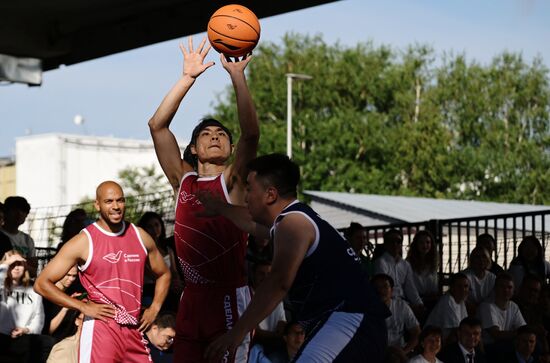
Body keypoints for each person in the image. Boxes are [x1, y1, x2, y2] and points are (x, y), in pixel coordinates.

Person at [201, 153, 390, 362]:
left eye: (249, 188)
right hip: (354, 323)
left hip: (349, 320)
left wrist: (237, 333)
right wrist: (219, 207)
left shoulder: (292, 224)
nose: (246, 196)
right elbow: (251, 221)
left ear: (270, 195)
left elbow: (278, 282)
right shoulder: (293, 218)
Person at [148, 35, 259, 362]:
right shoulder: (183, 180)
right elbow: (157, 126)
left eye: (222, 134)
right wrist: (187, 78)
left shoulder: (234, 182)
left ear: (230, 148)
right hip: (192, 299)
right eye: (206, 134)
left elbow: (251, 134)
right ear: (193, 148)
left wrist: (237, 77)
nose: (215, 137)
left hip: (228, 296)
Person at [34, 181, 171, 363]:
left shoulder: (139, 235)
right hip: (101, 328)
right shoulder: (83, 241)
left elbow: (164, 273)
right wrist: (82, 306)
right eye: (109, 201)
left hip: (134, 327)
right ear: (97, 205)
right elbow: (41, 283)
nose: (115, 206)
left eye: (120, 200)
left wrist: (154, 308)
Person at [0, 250, 53, 363]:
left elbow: (39, 318)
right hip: (1, 337)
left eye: (20, 264)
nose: (16, 267)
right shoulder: (1, 287)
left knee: (47, 342)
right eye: (12, 264)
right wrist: (5, 264)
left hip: (22, 337)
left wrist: (26, 329)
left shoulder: (32, 290)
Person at [137, 211, 183, 311]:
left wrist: (178, 282)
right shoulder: (142, 250)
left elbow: (174, 271)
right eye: (150, 226)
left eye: (156, 225)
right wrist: (170, 284)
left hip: (170, 288)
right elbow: (152, 275)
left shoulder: (167, 249)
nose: (154, 229)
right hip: (151, 290)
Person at [374, 229, 424, 313]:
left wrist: (419, 304)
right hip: (388, 303)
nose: (395, 244)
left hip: (403, 303)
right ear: (385, 244)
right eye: (391, 241)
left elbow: (410, 288)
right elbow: (383, 291)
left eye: (398, 241)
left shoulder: (405, 265)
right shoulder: (380, 262)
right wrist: (408, 305)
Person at [372, 273, 420, 357]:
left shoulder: (401, 306)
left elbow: (416, 332)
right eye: (377, 287)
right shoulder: (366, 309)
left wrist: (403, 352)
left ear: (392, 290)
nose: (381, 290)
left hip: (399, 351)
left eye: (385, 286)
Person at [477, 273, 526, 348]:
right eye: (502, 287)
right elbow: (496, 334)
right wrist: (519, 333)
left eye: (509, 287)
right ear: (495, 288)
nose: (506, 290)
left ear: (514, 290)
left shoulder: (513, 306)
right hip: (490, 346)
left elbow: (522, 328)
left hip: (506, 343)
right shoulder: (487, 306)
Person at [425, 272, 469, 342]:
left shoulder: (461, 301)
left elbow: (465, 325)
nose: (463, 289)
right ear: (452, 288)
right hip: (434, 342)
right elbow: (455, 330)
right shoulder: (447, 300)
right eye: (459, 286)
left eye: (466, 286)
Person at [41, 265, 81, 341]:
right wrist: (66, 307)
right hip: (52, 343)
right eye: (68, 275)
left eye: (74, 276)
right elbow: (47, 331)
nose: (71, 279)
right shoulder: (46, 296)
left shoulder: (74, 292)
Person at [406, 230, 439, 309]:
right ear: (416, 245)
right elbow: (409, 287)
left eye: (428, 242)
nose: (425, 245)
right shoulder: (408, 263)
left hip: (431, 301)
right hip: (415, 302)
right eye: (421, 242)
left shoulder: (432, 263)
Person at [462, 247, 496, 314]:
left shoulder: (492, 277)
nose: (481, 260)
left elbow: (494, 298)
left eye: (484, 256)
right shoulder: (465, 276)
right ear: (472, 259)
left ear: (488, 259)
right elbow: (462, 299)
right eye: (477, 257)